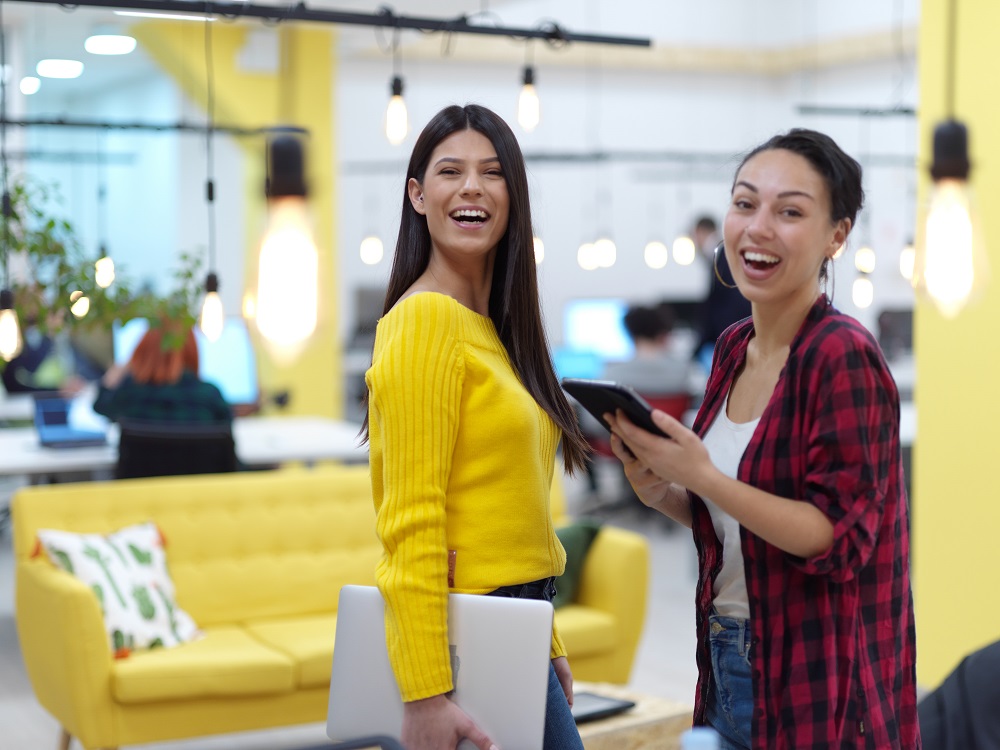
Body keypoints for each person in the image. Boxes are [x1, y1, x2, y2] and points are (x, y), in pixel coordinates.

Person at [606, 129, 919, 749]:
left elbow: (837, 539)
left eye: (790, 211)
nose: (758, 227)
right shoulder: (732, 350)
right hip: (726, 652)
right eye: (745, 203)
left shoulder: (842, 356)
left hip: (815, 673)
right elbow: (731, 519)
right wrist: (663, 489)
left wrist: (701, 476)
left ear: (837, 235)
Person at [361, 104, 590, 750]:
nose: (471, 187)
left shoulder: (496, 332)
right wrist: (425, 695)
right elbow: (411, 521)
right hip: (469, 635)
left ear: (512, 196)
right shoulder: (423, 322)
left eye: (492, 173)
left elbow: (514, 511)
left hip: (516, 621)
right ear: (417, 195)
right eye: (450, 171)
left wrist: (547, 641)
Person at [93, 322, 231, 425]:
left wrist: (116, 374)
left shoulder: (130, 393)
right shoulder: (209, 396)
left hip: (143, 465)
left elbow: (100, 407)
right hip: (199, 464)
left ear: (143, 351)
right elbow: (227, 454)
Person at [692, 214, 752, 368]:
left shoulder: (721, 253)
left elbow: (719, 302)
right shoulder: (723, 253)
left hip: (730, 336)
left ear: (699, 231)